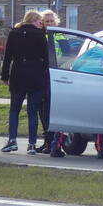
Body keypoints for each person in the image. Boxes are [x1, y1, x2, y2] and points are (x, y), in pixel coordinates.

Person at [0, 11, 49, 154]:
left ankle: (12, 141)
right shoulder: (40, 35)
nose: (41, 24)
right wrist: (44, 73)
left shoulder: (14, 34)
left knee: (14, 110)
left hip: (18, 75)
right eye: (39, 21)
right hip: (36, 76)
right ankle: (32, 144)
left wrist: (5, 76)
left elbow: (7, 57)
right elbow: (46, 58)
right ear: (33, 20)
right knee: (32, 112)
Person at [38, 10, 65, 157]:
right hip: (42, 75)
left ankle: (52, 142)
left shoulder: (61, 36)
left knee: (50, 110)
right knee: (42, 109)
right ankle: (47, 141)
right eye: (46, 21)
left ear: (56, 22)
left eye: (51, 21)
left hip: (56, 76)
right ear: (42, 23)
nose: (49, 23)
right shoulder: (40, 36)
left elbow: (67, 56)